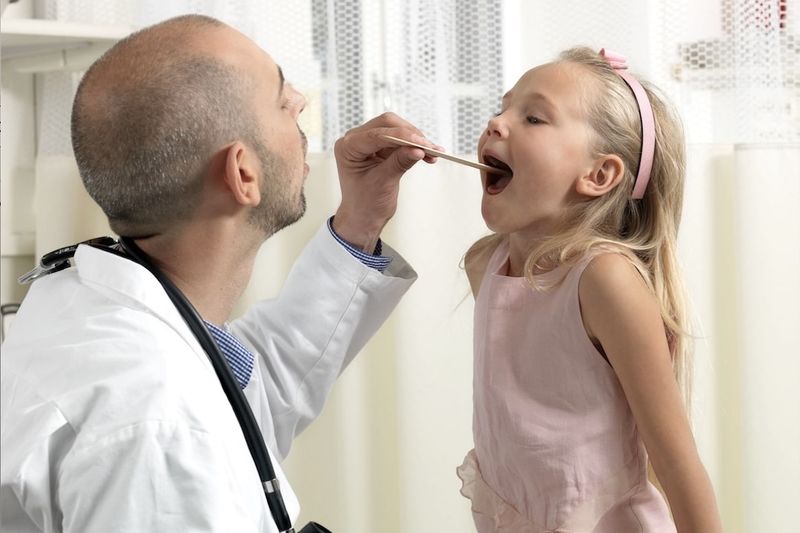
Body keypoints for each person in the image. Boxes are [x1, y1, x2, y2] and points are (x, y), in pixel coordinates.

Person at [0, 14, 440, 532]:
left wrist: (360, 219)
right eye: (281, 99)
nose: (300, 102)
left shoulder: (86, 304)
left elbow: (246, 393)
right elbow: (190, 418)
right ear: (243, 173)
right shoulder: (160, 428)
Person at [456, 47, 723, 532]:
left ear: (599, 175)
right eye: (502, 108)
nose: (496, 123)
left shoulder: (604, 281)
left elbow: (675, 461)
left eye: (533, 117)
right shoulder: (485, 265)